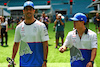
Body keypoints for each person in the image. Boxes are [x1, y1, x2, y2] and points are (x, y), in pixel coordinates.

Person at [8, 1, 49, 67]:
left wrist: (45, 61)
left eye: (30, 9)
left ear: (34, 11)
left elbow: (45, 44)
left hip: (38, 63)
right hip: (24, 63)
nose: (28, 11)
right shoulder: (19, 27)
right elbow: (16, 44)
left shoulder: (41, 26)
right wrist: (12, 59)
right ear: (23, 11)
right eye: (27, 9)